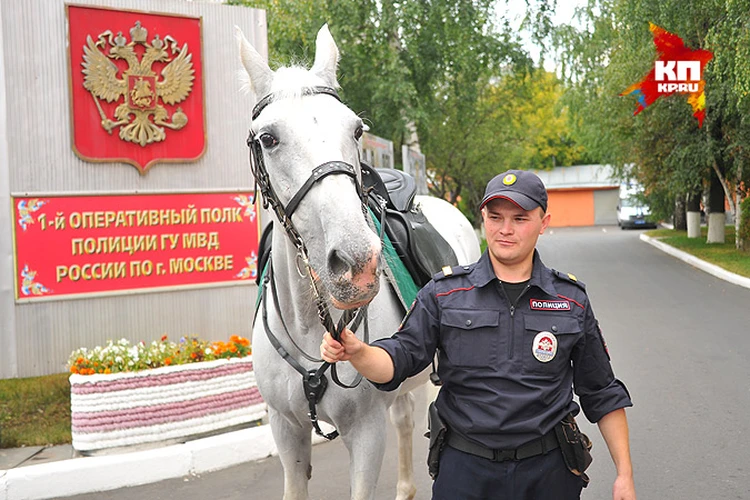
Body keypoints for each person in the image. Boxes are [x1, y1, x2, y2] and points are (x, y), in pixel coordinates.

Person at [321, 170, 636, 500]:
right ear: (483, 217)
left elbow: (601, 392)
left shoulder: (570, 300)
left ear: (544, 222)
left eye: (520, 218)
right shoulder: (444, 294)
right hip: (465, 472)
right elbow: (398, 359)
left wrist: (624, 475)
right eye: (495, 216)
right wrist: (357, 352)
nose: (505, 229)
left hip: (548, 473)